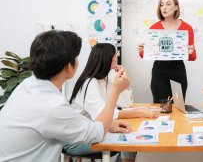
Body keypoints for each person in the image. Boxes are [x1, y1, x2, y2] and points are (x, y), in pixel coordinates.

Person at [0, 30, 130, 161]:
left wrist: (107, 124)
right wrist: (115, 91)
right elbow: (97, 134)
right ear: (69, 66)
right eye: (76, 57)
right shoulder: (52, 105)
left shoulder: (27, 85)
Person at [65, 43, 160, 162]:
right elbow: (102, 115)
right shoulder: (90, 83)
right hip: (75, 139)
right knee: (128, 141)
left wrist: (124, 81)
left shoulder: (105, 79)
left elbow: (126, 104)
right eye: (115, 55)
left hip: (92, 131)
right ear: (107, 58)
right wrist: (141, 112)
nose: (117, 57)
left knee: (129, 137)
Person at [138, 0, 197, 103]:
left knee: (178, 107)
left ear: (176, 7)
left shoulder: (187, 28)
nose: (164, 8)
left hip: (178, 70)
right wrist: (142, 50)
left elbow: (193, 56)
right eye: (161, 5)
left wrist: (190, 51)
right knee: (161, 107)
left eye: (168, 4)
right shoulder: (154, 28)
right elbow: (145, 54)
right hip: (159, 71)